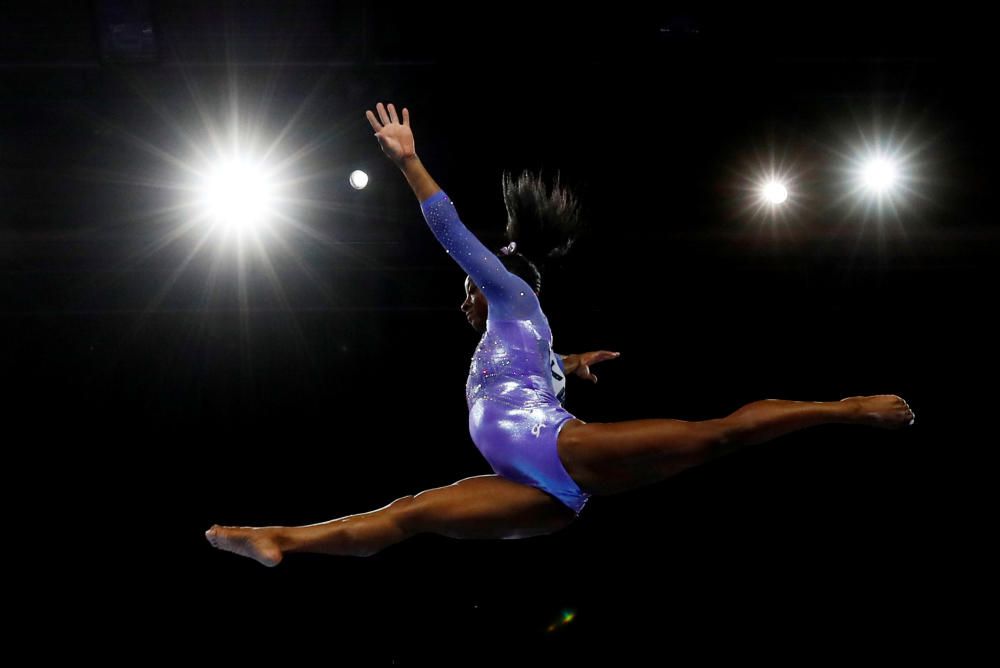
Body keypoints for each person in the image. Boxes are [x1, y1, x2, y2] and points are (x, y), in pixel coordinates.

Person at [205, 103, 914, 566]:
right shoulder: (519, 335)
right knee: (408, 515)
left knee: (715, 435)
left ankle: (846, 409)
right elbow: (529, 364)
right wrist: (567, 361)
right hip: (538, 491)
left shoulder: (509, 294)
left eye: (467, 294)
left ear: (489, 288)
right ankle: (281, 540)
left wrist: (408, 162)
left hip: (552, 446)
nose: (463, 305)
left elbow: (452, 233)